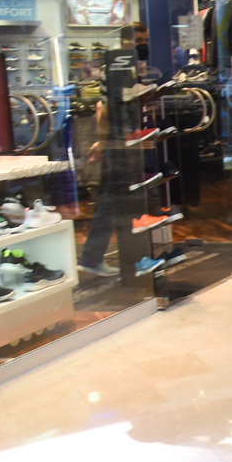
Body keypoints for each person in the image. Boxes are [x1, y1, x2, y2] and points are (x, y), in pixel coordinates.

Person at [77, 22, 149, 277]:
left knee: (116, 198)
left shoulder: (126, 66)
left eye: (144, 40)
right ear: (126, 41)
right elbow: (104, 110)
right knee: (114, 199)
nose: (142, 44)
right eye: (138, 40)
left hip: (124, 141)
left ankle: (106, 256)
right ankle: (98, 257)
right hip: (121, 143)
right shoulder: (121, 67)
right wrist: (104, 142)